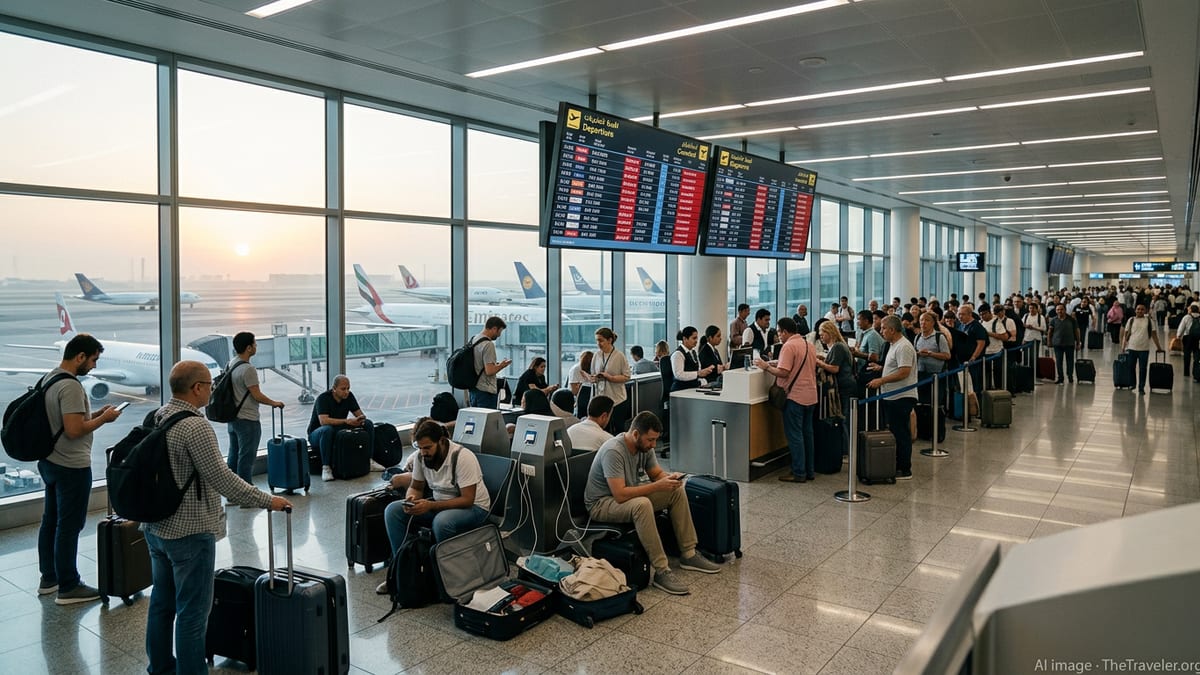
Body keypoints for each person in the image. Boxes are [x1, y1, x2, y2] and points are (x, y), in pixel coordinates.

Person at [144, 361, 291, 675]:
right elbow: (223, 479)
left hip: (156, 527)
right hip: (189, 531)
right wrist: (267, 500)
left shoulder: (158, 415)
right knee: (192, 614)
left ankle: (160, 667)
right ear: (197, 388)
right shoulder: (196, 427)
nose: (212, 389)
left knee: (162, 603)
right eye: (210, 384)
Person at [583, 412, 721, 596]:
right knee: (642, 505)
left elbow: (656, 474)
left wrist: (669, 479)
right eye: (650, 440)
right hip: (601, 503)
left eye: (655, 440)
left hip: (624, 495)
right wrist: (657, 486)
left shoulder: (644, 447)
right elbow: (620, 494)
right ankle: (662, 570)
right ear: (635, 434)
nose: (654, 445)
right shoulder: (613, 451)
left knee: (675, 492)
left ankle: (689, 554)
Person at [37, 333, 123, 605]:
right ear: (80, 357)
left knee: (50, 520)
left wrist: (96, 415)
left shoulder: (49, 378)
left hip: (50, 461)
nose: (94, 366)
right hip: (71, 465)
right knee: (69, 526)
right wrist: (104, 419)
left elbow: (63, 422)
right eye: (93, 360)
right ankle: (69, 586)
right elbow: (74, 430)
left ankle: (49, 578)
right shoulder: (71, 386)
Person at [379, 420, 490, 593]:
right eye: (420, 448)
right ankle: (402, 573)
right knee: (393, 511)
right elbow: (416, 487)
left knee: (442, 522)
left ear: (442, 442)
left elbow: (467, 499)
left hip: (474, 508)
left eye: (428, 448)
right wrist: (411, 500)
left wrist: (431, 505)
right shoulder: (421, 457)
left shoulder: (462, 457)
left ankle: (446, 579)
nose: (424, 452)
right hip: (439, 506)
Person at [756, 318, 818, 483]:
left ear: (784, 331)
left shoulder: (789, 346)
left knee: (795, 436)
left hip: (795, 397)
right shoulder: (808, 345)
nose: (778, 336)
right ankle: (809, 471)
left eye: (779, 332)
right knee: (807, 435)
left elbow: (784, 372)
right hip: (811, 395)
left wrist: (767, 367)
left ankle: (798, 472)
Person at [225, 331, 284, 484]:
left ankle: (232, 491)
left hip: (233, 418)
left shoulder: (232, 363)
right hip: (247, 419)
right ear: (249, 348)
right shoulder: (248, 369)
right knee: (247, 458)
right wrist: (274, 403)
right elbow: (256, 395)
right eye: (255, 343)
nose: (256, 346)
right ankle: (246, 491)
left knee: (233, 456)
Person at [867, 316, 918, 480]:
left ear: (892, 330)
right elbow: (896, 367)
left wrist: (881, 380)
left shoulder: (904, 347)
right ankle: (897, 463)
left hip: (901, 396)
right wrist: (881, 368)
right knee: (895, 431)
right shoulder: (893, 345)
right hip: (892, 395)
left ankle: (905, 468)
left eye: (883, 328)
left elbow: (904, 372)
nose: (881, 331)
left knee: (901, 433)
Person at [307, 374, 372, 482]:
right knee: (327, 429)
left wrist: (359, 420)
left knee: (368, 424)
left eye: (348, 388)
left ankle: (369, 459)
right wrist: (347, 421)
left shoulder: (349, 396)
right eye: (343, 389)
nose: (346, 392)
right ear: (334, 389)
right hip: (318, 434)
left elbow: (360, 414)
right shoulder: (323, 398)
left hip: (337, 428)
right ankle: (326, 467)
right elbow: (323, 421)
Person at [815, 321, 856, 458]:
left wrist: (819, 362)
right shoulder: (840, 346)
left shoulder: (837, 347)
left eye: (822, 334)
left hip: (844, 387)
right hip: (846, 386)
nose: (821, 337)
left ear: (830, 333)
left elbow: (834, 368)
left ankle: (846, 450)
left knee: (844, 418)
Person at [591, 328, 632, 433]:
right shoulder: (597, 355)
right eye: (597, 340)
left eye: (601, 340)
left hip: (617, 399)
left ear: (609, 340)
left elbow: (627, 376)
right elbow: (593, 374)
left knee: (618, 429)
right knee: (602, 431)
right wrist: (593, 378)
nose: (598, 343)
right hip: (601, 398)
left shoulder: (619, 356)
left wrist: (610, 378)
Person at [469, 317, 513, 409]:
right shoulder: (488, 344)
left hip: (474, 390)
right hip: (486, 391)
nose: (499, 335)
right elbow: (489, 371)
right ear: (494, 328)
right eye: (499, 331)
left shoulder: (474, 339)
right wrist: (502, 365)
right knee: (488, 418)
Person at [1121, 304, 1164, 394]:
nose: (1140, 311)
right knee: (1131, 367)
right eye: (1138, 309)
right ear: (1135, 310)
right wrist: (1123, 346)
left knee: (1143, 369)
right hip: (1131, 347)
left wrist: (1159, 347)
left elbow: (1154, 335)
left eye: (1142, 309)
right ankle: (1132, 384)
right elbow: (1125, 334)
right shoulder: (1131, 320)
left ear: (1145, 311)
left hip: (1144, 349)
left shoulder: (1149, 321)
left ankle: (1141, 387)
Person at [914, 311, 952, 406]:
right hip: (921, 373)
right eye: (921, 320)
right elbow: (915, 353)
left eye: (927, 320)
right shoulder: (917, 337)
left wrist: (930, 354)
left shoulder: (939, 337)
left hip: (937, 374)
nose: (923, 323)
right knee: (922, 402)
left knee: (935, 401)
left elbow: (947, 355)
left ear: (933, 323)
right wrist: (918, 353)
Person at [671, 326, 717, 391]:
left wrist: (704, 372)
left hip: (692, 387)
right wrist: (698, 373)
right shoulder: (678, 354)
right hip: (680, 389)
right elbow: (679, 375)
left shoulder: (693, 352)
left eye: (696, 338)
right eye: (694, 338)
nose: (696, 341)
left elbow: (698, 370)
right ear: (685, 339)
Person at [957, 304, 988, 397]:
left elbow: (981, 343)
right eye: (959, 314)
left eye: (963, 314)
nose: (960, 316)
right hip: (962, 360)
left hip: (973, 361)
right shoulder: (961, 325)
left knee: (974, 383)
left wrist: (974, 356)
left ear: (970, 314)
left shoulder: (977, 327)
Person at [980, 305, 1014, 389]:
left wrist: (989, 334)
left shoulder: (997, 323)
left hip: (996, 352)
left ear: (989, 313)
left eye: (984, 314)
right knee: (986, 374)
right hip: (985, 353)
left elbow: (1005, 337)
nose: (982, 316)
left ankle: (999, 389)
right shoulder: (980, 323)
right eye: (980, 314)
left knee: (998, 374)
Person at [1048, 303, 1081, 384]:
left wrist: (1078, 342)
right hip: (1057, 344)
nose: (1060, 311)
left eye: (1061, 309)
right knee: (1059, 361)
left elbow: (1076, 331)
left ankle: (1070, 376)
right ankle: (1060, 378)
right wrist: (1049, 341)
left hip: (1069, 343)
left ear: (1065, 310)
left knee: (1070, 361)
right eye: (1058, 310)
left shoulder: (1071, 319)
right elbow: (1050, 332)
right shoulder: (1053, 320)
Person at [1177, 304, 1200, 379]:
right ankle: (1196, 372)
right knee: (1196, 355)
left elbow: (1181, 327)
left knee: (1187, 355)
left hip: (1187, 338)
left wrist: (1178, 335)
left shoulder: (1186, 317)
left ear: (1191, 310)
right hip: (1197, 338)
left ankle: (1186, 372)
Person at [569, 350, 594, 419]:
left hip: (582, 398)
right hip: (583, 397)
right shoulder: (576, 369)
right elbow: (574, 391)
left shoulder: (575, 369)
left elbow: (574, 390)